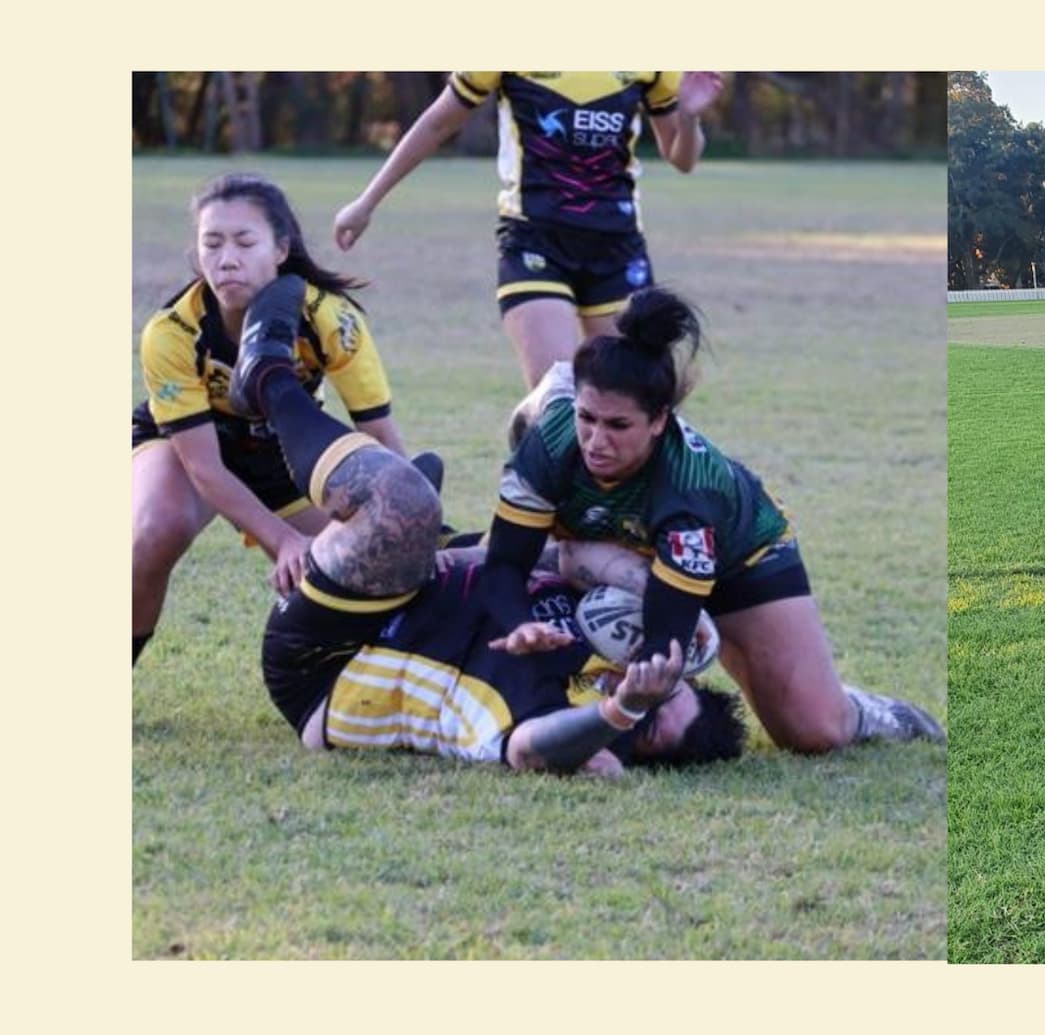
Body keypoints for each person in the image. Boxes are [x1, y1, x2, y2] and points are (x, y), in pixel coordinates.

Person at [228, 273, 746, 776]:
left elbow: (528, 752)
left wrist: (622, 712)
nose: (643, 684)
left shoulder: (570, 723)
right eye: (667, 690)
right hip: (422, 590)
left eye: (649, 724)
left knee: (401, 501)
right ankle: (421, 538)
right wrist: (648, 597)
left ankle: (268, 379)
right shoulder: (613, 640)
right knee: (547, 540)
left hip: (332, 657)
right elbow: (567, 558)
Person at [483, 286, 945, 753]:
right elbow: (503, 563)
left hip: (738, 557)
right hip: (617, 544)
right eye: (587, 418)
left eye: (618, 425)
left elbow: (666, 636)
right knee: (493, 558)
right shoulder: (553, 439)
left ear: (659, 421)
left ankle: (871, 710)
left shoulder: (690, 489)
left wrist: (643, 679)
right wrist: (521, 625)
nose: (597, 440)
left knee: (814, 731)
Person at [133, 172, 413, 667]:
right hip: (186, 447)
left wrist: (408, 522)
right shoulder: (171, 332)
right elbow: (205, 467)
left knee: (357, 561)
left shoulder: (331, 318)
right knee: (159, 527)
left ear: (281, 248)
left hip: (276, 449)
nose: (227, 259)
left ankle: (361, 680)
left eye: (245, 242)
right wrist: (282, 539)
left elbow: (379, 436)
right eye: (212, 244)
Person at [332, 71, 726, 388]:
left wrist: (689, 117)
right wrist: (367, 202)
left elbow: (683, 159)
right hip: (535, 240)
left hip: (617, 247)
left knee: (630, 394)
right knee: (557, 397)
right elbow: (437, 124)